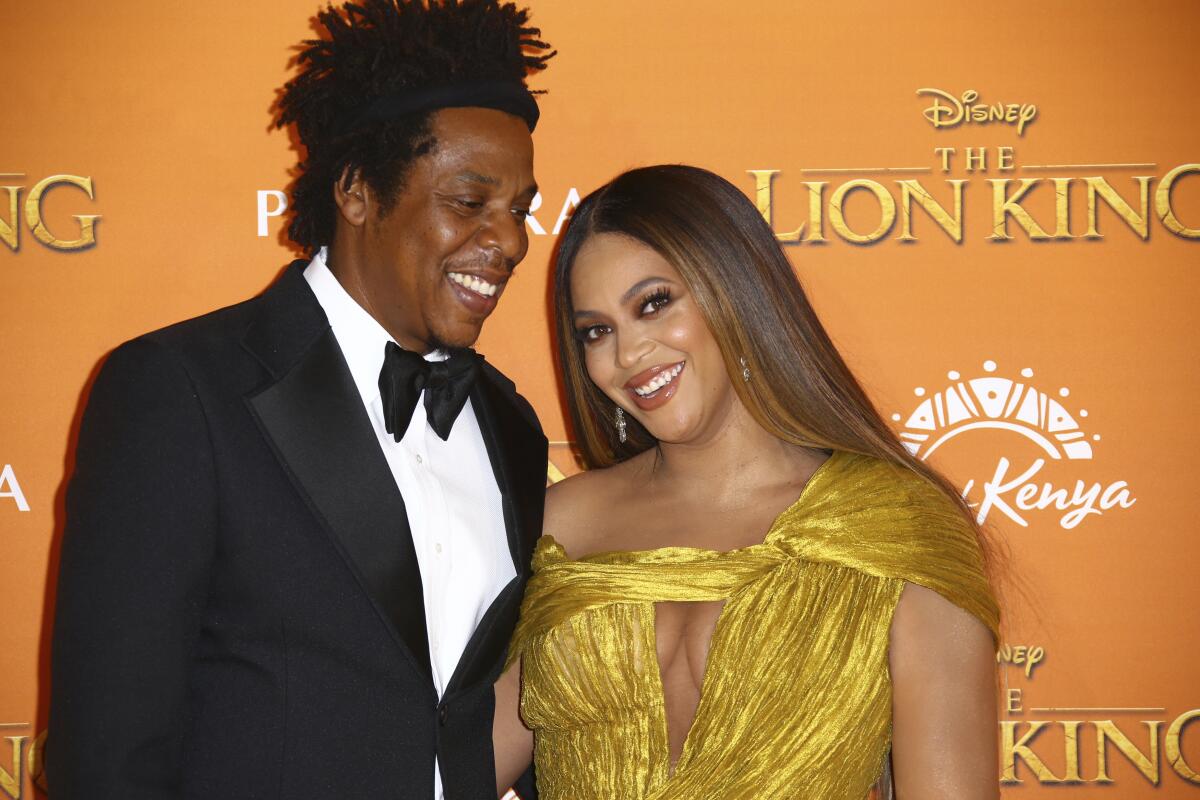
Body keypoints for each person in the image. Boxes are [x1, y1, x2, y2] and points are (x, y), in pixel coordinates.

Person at [47, 1, 551, 797]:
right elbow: (110, 757)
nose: (515, 240)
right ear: (356, 193)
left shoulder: (509, 425)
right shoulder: (180, 390)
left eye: (520, 210)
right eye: (469, 201)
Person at [492, 165, 1000, 800]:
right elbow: (454, 766)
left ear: (736, 291)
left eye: (654, 304)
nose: (626, 355)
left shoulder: (895, 525)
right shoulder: (560, 524)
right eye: (597, 331)